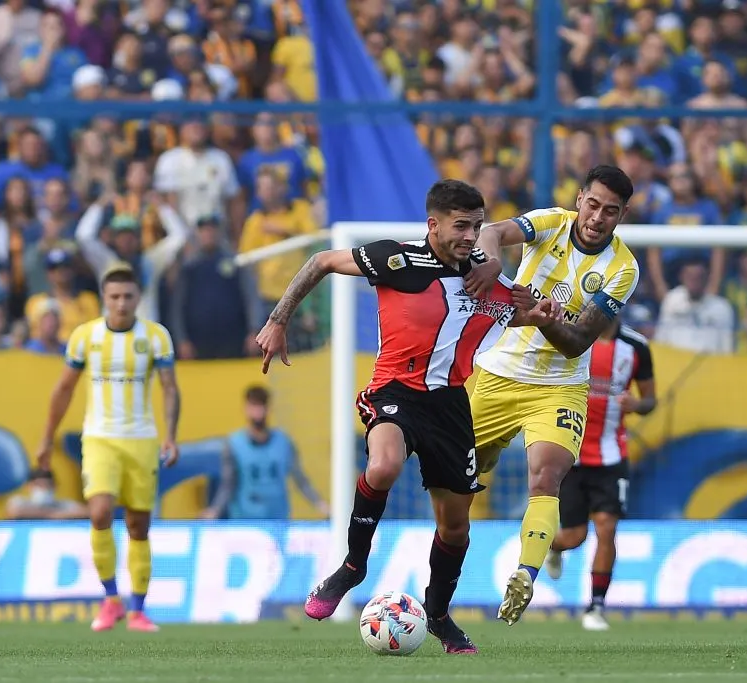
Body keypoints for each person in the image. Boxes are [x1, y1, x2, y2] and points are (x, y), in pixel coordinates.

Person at [254, 179, 559, 654]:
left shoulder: (485, 276)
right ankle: (352, 566)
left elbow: (512, 309)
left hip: (452, 405)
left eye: (478, 226)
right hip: (395, 391)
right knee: (383, 465)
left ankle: (438, 615)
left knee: (455, 525)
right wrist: (277, 320)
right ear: (432, 224)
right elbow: (320, 262)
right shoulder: (396, 259)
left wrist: (541, 310)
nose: (471, 236)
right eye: (461, 226)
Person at [463, 165, 640, 625]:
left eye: (611, 211)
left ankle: (524, 573)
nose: (598, 217)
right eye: (594, 204)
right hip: (498, 372)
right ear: (580, 198)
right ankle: (443, 583)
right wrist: (491, 260)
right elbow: (495, 231)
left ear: (622, 216)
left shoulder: (622, 268)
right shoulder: (550, 222)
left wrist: (542, 318)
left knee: (546, 479)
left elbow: (580, 341)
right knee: (456, 477)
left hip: (559, 386)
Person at [36, 263, 181, 633]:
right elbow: (63, 389)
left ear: (138, 298)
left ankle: (138, 610)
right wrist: (44, 437)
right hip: (99, 438)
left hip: (142, 440)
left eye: (128, 297)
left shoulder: (156, 337)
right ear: (104, 298)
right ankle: (111, 599)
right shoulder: (85, 337)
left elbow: (169, 388)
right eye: (114, 297)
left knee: (138, 524)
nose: (121, 304)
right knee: (99, 512)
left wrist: (170, 435)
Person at [544, 319, 655, 630]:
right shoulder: (570, 336)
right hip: (572, 451)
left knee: (606, 528)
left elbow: (650, 399)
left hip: (612, 455)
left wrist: (638, 404)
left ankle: (596, 607)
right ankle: (555, 547)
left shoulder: (636, 347)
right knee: (574, 536)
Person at [201, 385, 329, 520]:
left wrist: (320, 504)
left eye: (261, 406)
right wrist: (214, 510)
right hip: (244, 524)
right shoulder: (234, 444)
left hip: (278, 522)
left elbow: (300, 479)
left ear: (268, 408)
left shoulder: (283, 442)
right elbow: (228, 484)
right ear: (245, 409)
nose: (257, 412)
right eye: (253, 406)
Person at [5, 468, 87, 520]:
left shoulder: (63, 504)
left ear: (55, 486)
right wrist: (55, 515)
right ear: (29, 486)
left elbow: (86, 512)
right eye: (39, 485)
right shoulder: (19, 501)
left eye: (48, 485)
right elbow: (14, 512)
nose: (44, 488)